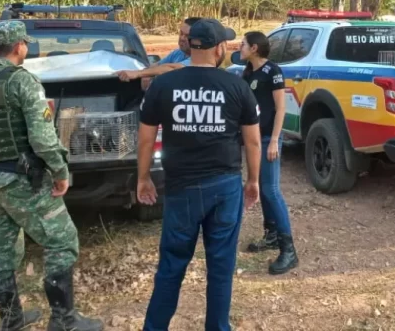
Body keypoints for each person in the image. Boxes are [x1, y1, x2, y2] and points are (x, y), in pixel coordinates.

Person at [0, 21, 102, 331]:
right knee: (63, 241)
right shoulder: (22, 81)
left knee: (1, 250)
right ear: (18, 47)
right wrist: (60, 170)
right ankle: (64, 321)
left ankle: (11, 321)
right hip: (21, 179)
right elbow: (41, 138)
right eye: (25, 42)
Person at [135, 18, 262, 331]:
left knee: (171, 267)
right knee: (220, 268)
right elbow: (253, 140)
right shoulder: (237, 87)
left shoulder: (163, 85)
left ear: (191, 45)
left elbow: (146, 138)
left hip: (181, 189)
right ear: (218, 49)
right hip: (225, 187)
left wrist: (143, 177)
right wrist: (254, 180)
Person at [239, 31, 299, 275]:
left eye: (243, 44)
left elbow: (280, 108)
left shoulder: (273, 71)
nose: (239, 47)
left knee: (271, 190)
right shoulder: (248, 71)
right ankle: (271, 234)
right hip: (253, 139)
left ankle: (289, 251)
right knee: (262, 189)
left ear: (254, 48)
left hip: (267, 138)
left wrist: (275, 140)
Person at [116, 17, 200, 83]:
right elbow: (157, 66)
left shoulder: (199, 59)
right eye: (181, 33)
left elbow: (171, 68)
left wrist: (138, 74)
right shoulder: (178, 53)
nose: (182, 38)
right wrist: (136, 71)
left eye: (187, 36)